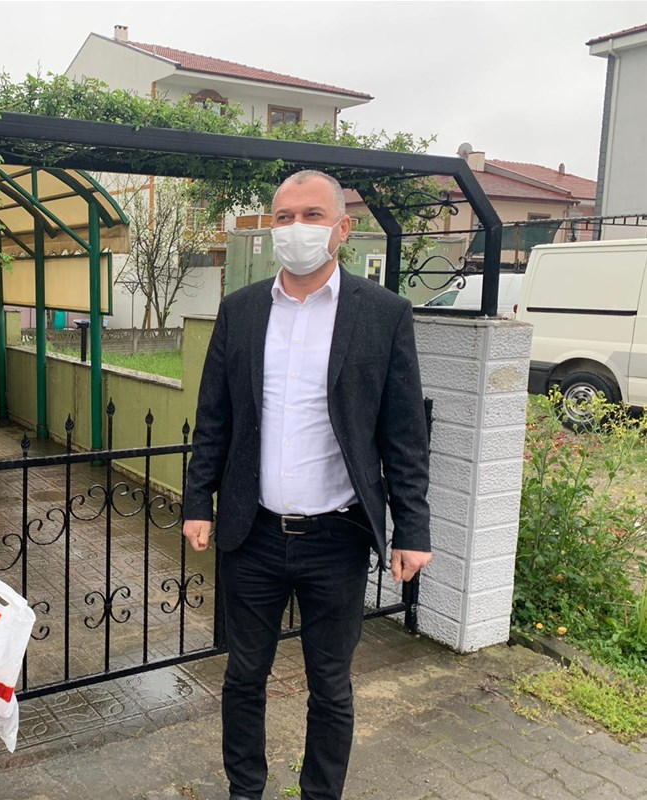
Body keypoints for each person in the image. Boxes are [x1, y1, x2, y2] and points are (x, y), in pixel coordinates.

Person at [182, 171, 432, 800]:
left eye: (312, 215)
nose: (296, 228)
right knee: (243, 677)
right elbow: (214, 417)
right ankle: (246, 790)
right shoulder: (241, 310)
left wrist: (414, 529)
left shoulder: (384, 315)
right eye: (284, 216)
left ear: (343, 228)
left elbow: (404, 435)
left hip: (337, 538)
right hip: (253, 532)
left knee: (331, 685)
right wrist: (198, 501)